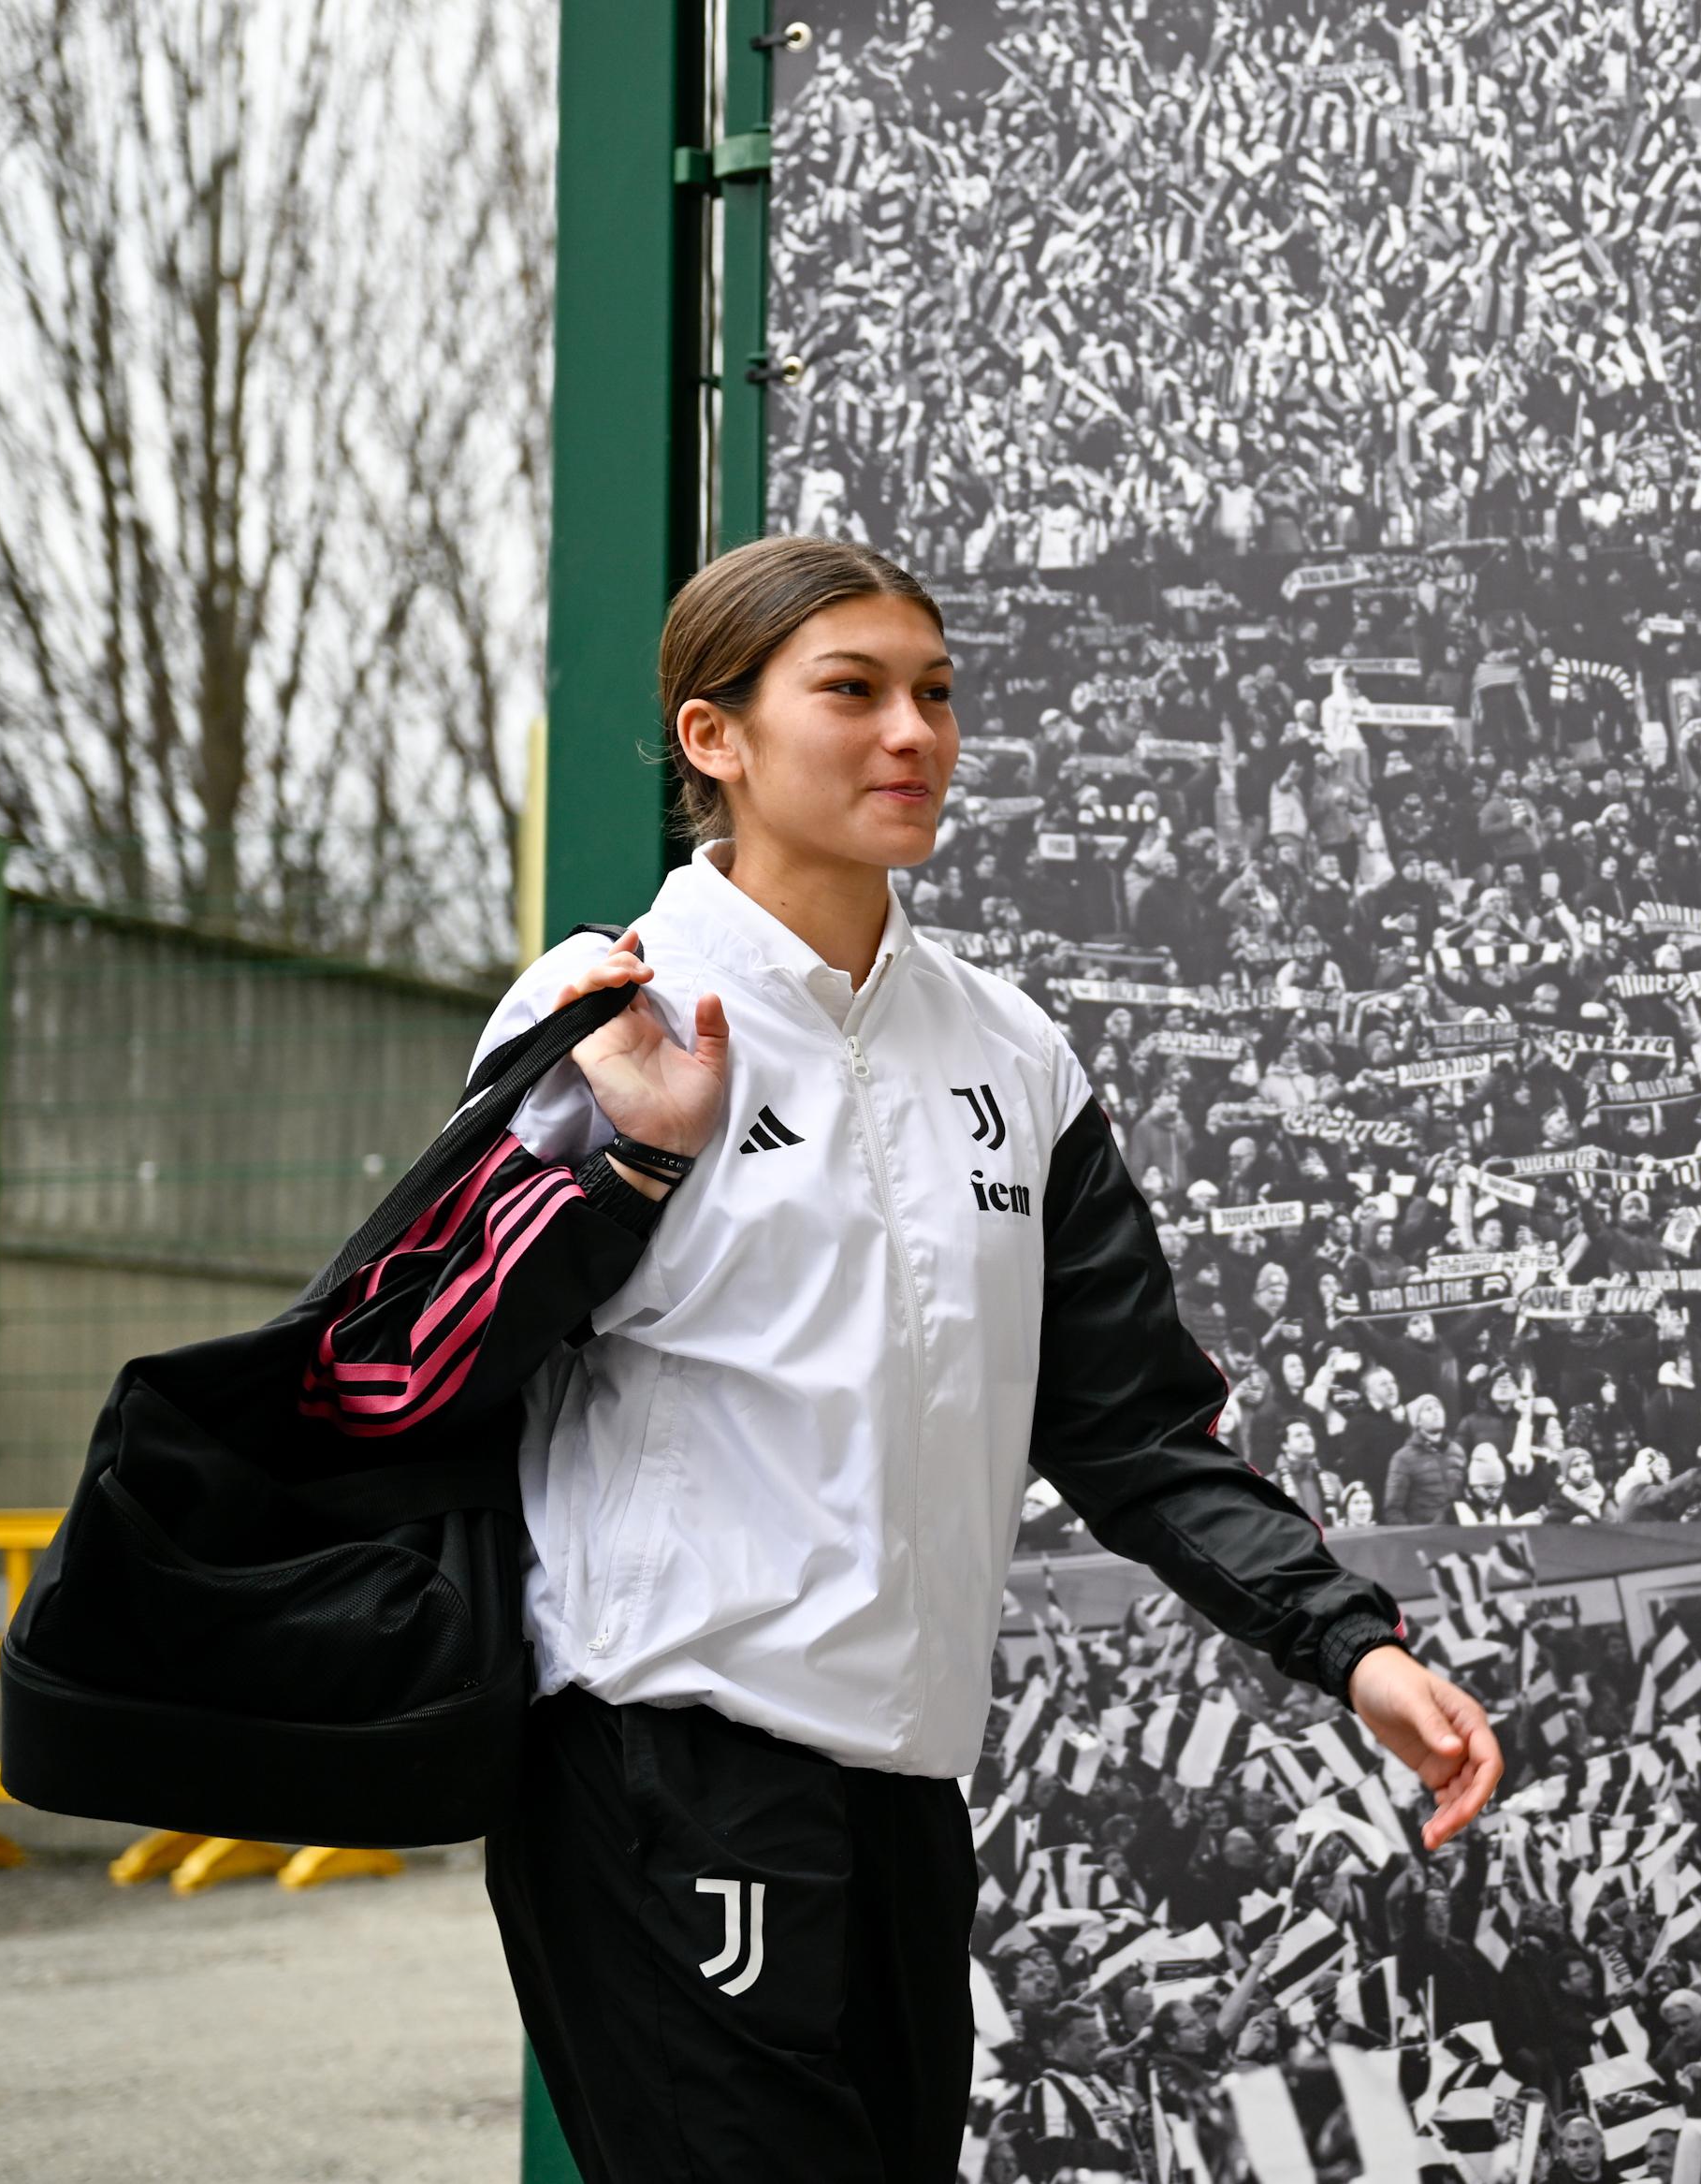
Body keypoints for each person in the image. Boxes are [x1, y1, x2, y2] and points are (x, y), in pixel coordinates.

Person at [306, 536, 1502, 2182]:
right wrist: (625, 1162)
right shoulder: (605, 1005)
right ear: (713, 737)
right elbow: (413, 1362)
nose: (912, 734)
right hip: (663, 1759)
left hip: (903, 1787)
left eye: (934, 693)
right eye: (853, 692)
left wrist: (1352, 1647)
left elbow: (1136, 1426)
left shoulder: (1013, 1051)